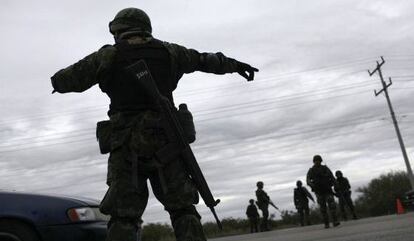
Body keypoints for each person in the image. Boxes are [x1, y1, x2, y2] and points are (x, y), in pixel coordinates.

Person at [50, 8, 258, 241]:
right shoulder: (169, 51)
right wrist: (235, 65)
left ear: (118, 30)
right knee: (183, 210)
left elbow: (63, 80)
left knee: (123, 217)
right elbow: (204, 60)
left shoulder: (107, 56)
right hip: (167, 143)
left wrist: (62, 80)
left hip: (127, 148)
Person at [306, 155, 340, 228]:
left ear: (321, 161)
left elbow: (332, 178)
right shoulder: (311, 170)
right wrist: (313, 186)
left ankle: (335, 221)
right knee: (323, 208)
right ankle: (326, 223)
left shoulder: (325, 168)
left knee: (332, 206)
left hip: (328, 190)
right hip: (319, 192)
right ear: (314, 161)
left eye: (318, 160)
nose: (317, 162)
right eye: (316, 161)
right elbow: (308, 180)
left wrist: (336, 186)